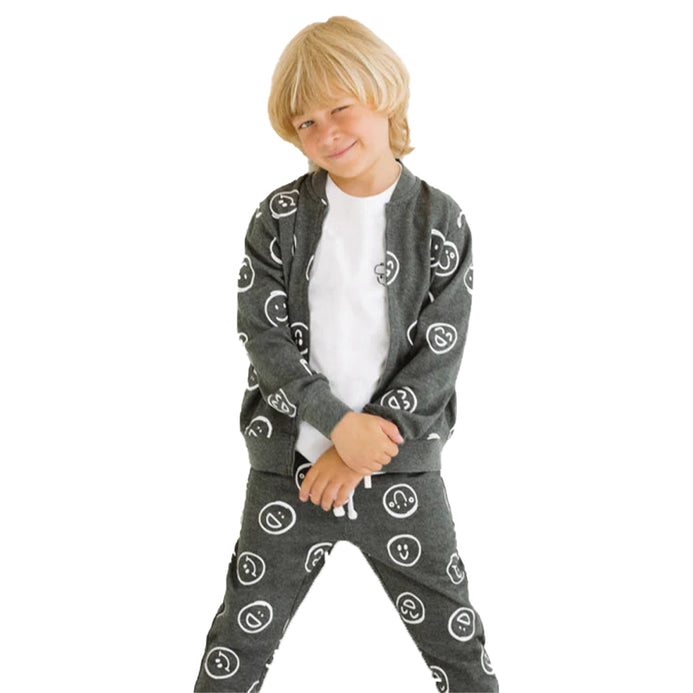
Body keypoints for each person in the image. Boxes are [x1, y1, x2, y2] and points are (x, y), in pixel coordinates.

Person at [193, 15, 499, 693]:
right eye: (306, 121)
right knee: (239, 639)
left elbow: (439, 355)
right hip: (290, 475)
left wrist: (360, 450)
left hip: (401, 475)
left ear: (383, 94)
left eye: (339, 109)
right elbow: (262, 337)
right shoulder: (278, 217)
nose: (325, 132)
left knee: (456, 644)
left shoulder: (440, 221)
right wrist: (335, 426)